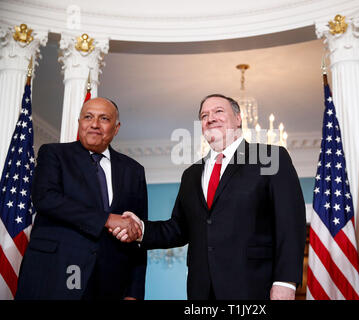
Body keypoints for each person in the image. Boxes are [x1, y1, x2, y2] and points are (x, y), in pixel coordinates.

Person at [114, 94, 306, 300]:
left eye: (218, 111)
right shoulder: (191, 174)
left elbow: (290, 222)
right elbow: (178, 229)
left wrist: (285, 281)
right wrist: (141, 228)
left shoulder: (271, 157)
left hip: (254, 287)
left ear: (238, 118)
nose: (210, 118)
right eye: (204, 115)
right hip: (202, 290)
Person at [15, 97, 147, 300]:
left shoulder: (134, 171)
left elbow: (137, 234)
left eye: (104, 118)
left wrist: (134, 293)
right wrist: (106, 219)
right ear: (80, 123)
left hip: (108, 284)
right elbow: (45, 199)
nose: (94, 124)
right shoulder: (53, 154)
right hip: (52, 276)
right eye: (88, 117)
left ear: (116, 127)